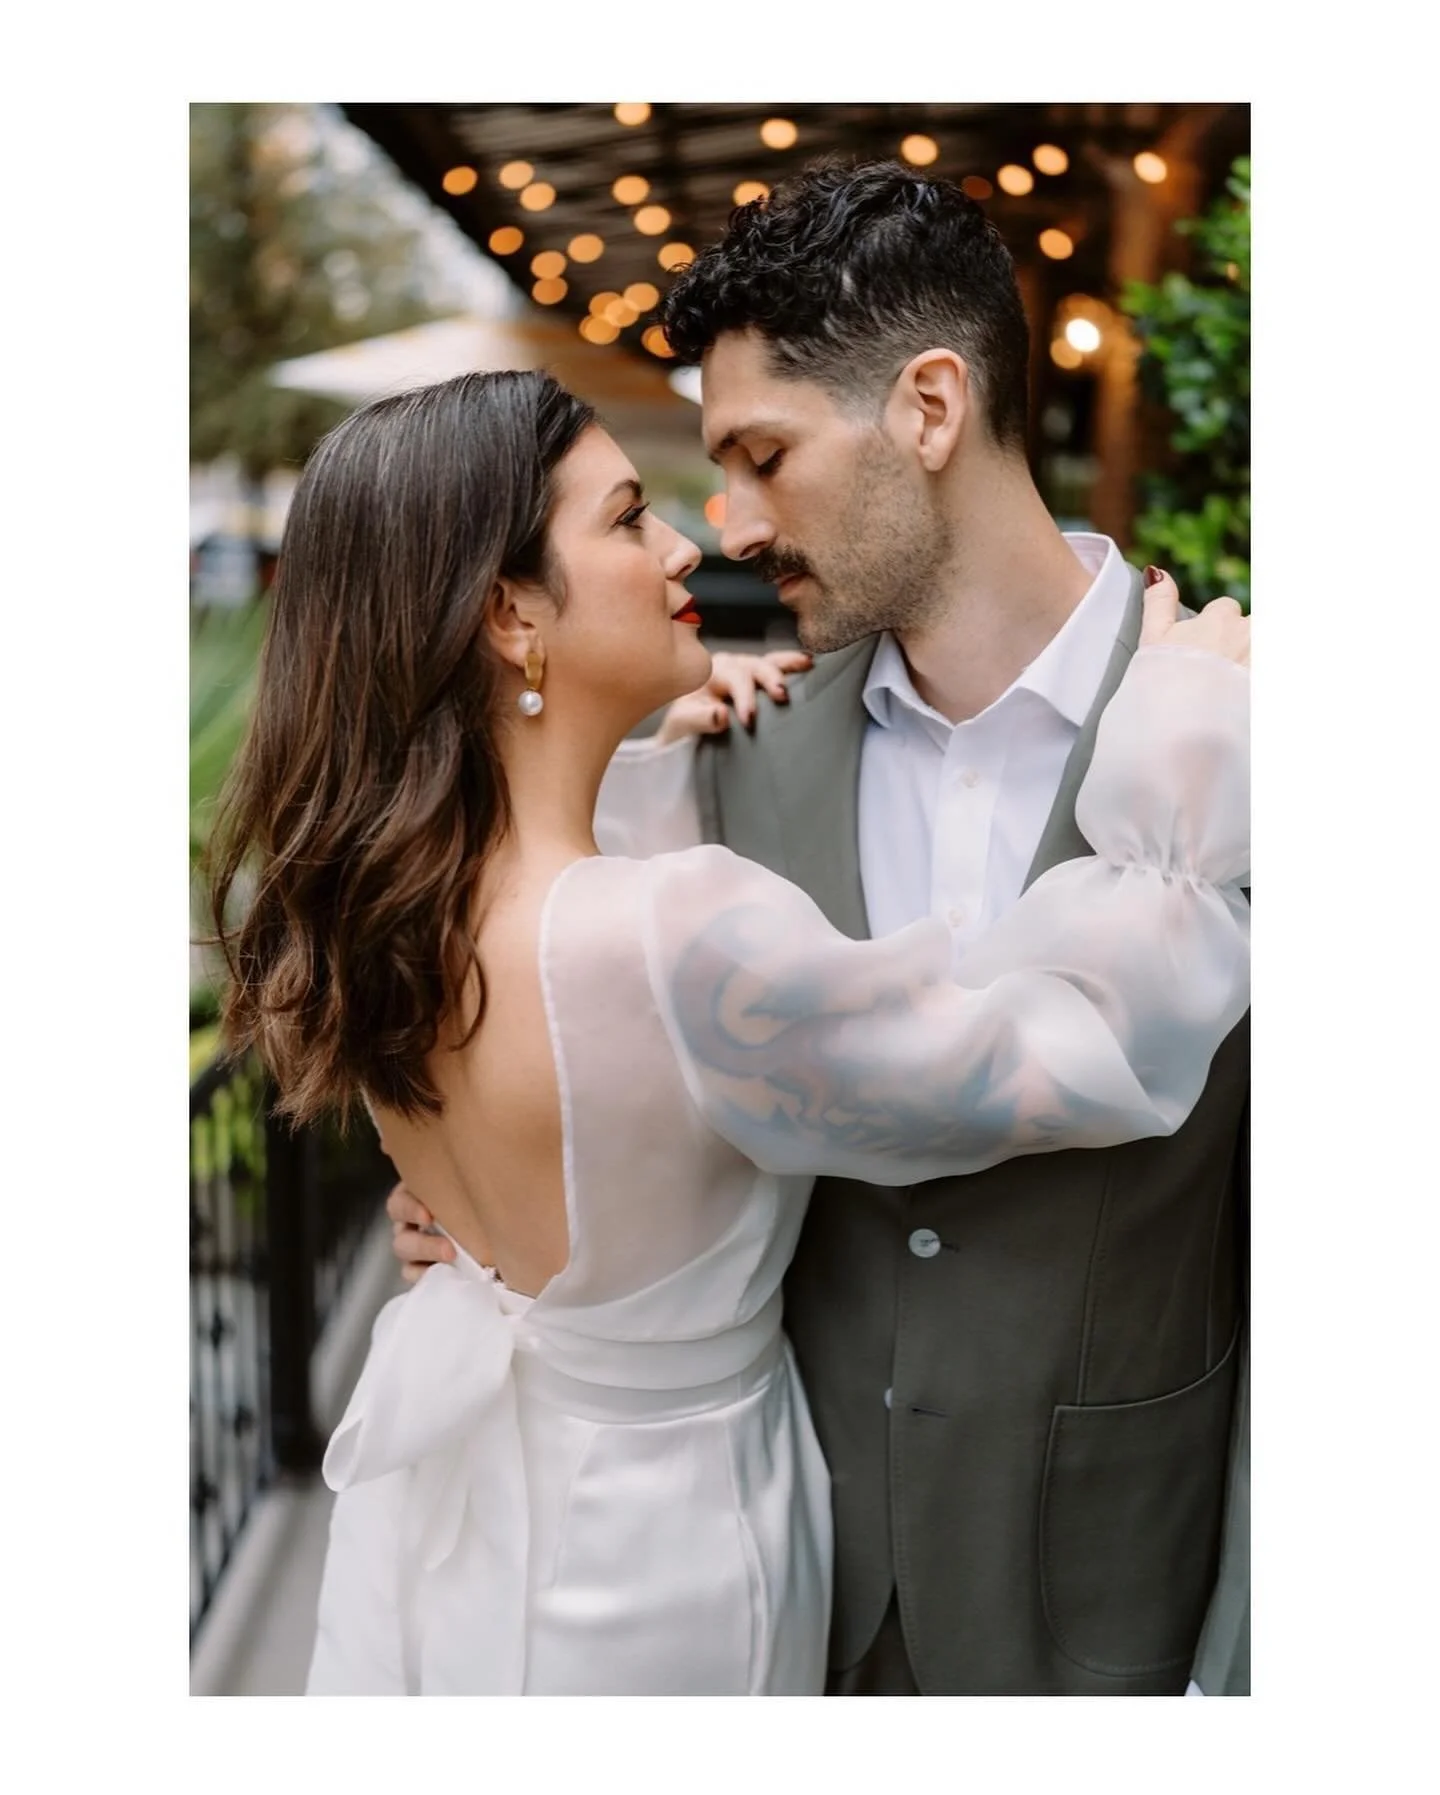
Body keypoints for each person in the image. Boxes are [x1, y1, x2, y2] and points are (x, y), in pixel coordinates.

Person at [213, 366, 1248, 1695]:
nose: (689, 548)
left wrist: (636, 744)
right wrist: (1189, 733)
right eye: (631, 517)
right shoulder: (673, 936)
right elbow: (1058, 1049)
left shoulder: (397, 914)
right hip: (666, 1563)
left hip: (471, 1533)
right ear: (508, 613)